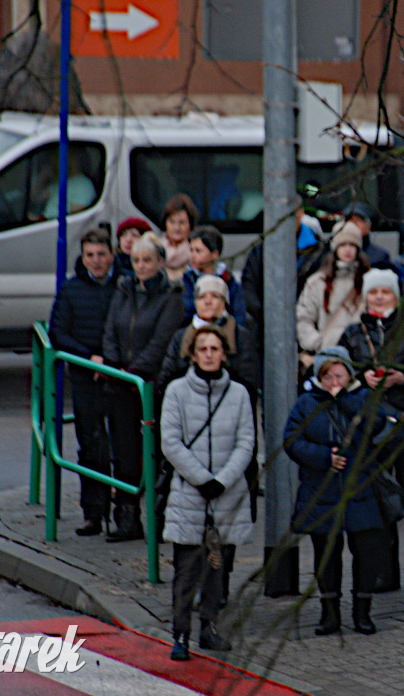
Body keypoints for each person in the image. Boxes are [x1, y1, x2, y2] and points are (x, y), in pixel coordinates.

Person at [339, 268, 404, 591]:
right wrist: (361, 381)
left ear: (396, 296)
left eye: (385, 292)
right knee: (380, 500)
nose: (379, 297)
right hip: (373, 429)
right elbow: (340, 375)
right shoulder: (354, 332)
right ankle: (386, 572)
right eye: (374, 292)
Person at [161, 325, 254, 660]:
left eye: (216, 349)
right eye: (204, 349)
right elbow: (170, 442)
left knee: (217, 571)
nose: (210, 354)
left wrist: (222, 481)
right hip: (189, 495)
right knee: (186, 572)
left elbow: (246, 444)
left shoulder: (239, 394)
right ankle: (181, 634)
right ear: (193, 353)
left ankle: (210, 628)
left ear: (224, 354)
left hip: (226, 498)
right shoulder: (176, 392)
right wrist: (202, 479)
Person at [283, 346, 388, 636]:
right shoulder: (306, 403)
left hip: (359, 487)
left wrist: (343, 400)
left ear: (349, 374)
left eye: (339, 374)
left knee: (366, 551)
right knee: (326, 554)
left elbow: (375, 424)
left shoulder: (363, 397)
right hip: (322, 488)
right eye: (327, 376)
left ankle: (362, 612)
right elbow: (291, 440)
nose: (333, 382)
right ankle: (329, 614)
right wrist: (322, 457)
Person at [102, 232, 185, 541]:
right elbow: (110, 330)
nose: (141, 266)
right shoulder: (123, 291)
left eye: (147, 260)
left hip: (152, 384)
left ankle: (162, 517)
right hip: (122, 383)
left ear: (160, 262)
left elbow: (163, 340)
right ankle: (126, 517)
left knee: (160, 450)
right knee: (123, 450)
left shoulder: (171, 296)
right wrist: (114, 367)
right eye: (136, 260)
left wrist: (136, 371)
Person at [49, 229, 120, 536]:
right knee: (90, 445)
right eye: (90, 255)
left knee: (123, 446)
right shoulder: (71, 289)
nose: (96, 261)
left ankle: (125, 514)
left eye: (101, 254)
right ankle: (93, 512)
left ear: (112, 255)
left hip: (119, 375)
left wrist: (111, 361)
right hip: (84, 377)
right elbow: (58, 333)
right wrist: (88, 357)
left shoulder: (124, 285)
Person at [159, 275, 258, 397]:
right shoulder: (180, 336)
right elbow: (165, 381)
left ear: (224, 303)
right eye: (202, 297)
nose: (208, 302)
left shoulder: (241, 336)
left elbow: (249, 383)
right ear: (195, 303)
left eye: (215, 296)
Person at [296, 221, 370, 354]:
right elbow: (303, 317)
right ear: (335, 248)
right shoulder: (317, 282)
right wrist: (314, 342)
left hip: (360, 354)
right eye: (343, 244)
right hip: (328, 353)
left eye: (352, 245)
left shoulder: (369, 280)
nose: (348, 249)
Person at [180, 226, 247, 326]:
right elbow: (185, 311)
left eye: (198, 251)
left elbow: (238, 313)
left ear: (215, 254)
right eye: (191, 250)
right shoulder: (186, 281)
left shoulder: (228, 280)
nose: (192, 256)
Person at [343, 201, 393, 269]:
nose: (353, 224)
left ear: (368, 226)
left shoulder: (379, 256)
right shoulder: (333, 254)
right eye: (349, 220)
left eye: (358, 220)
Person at [161, 194, 199, 281]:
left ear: (190, 225)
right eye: (172, 222)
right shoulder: (155, 249)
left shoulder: (197, 254)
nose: (177, 228)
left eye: (182, 223)